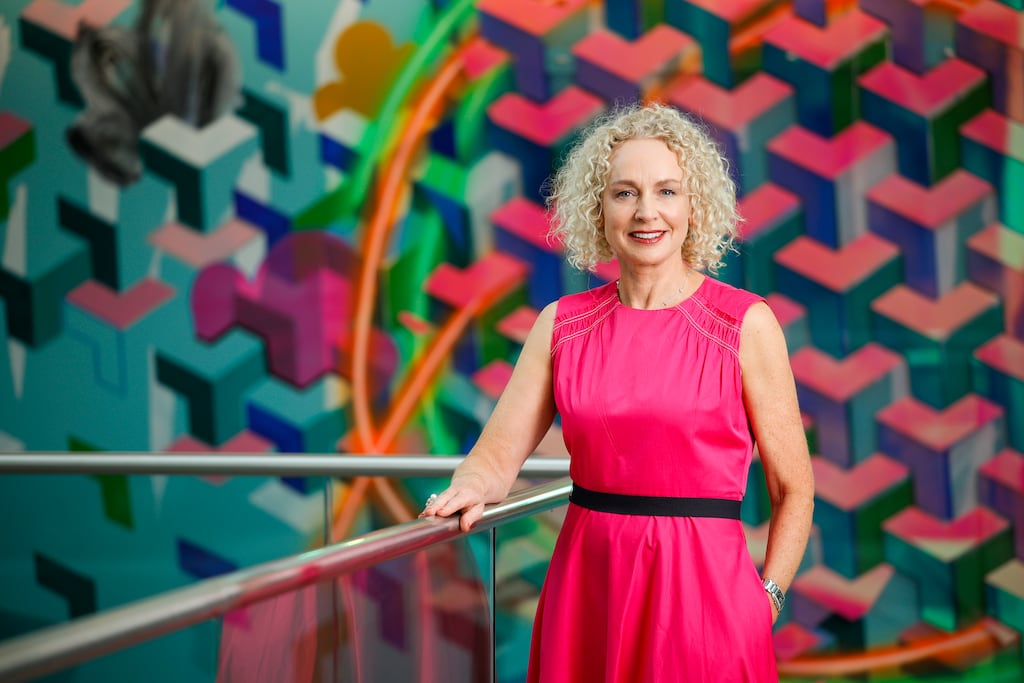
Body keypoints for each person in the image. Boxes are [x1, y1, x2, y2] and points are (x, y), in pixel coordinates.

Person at [421, 102, 814, 681]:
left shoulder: (744, 324)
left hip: (707, 598)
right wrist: (469, 488)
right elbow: (497, 456)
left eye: (667, 192)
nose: (646, 212)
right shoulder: (561, 324)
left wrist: (768, 599)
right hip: (588, 587)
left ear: (694, 205)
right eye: (624, 193)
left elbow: (794, 487)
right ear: (598, 209)